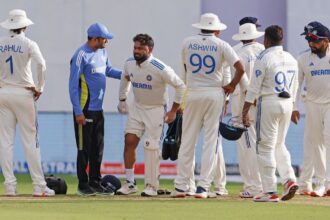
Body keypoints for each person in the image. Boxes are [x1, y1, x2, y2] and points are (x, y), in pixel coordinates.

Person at [172, 13, 244, 199]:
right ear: (217, 29)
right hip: (214, 94)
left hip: (193, 92)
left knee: (187, 140)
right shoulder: (222, 45)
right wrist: (232, 86)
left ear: (200, 27)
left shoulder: (186, 42)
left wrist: (181, 101)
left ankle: (181, 186)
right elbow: (240, 68)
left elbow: (183, 75)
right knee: (211, 141)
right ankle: (203, 187)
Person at [116, 34, 185, 197]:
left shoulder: (160, 68)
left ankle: (151, 186)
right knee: (129, 141)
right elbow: (125, 78)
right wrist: (122, 98)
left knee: (151, 146)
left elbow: (181, 86)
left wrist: (173, 111)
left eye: (141, 48)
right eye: (135, 48)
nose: (137, 51)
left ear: (150, 49)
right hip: (137, 107)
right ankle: (130, 184)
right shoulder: (129, 64)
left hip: (156, 110)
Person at [0, 9, 55, 196]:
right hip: (23, 93)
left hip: (3, 93)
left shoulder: (0, 43)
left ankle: (9, 186)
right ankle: (39, 186)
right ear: (24, 26)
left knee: (5, 141)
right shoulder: (29, 43)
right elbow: (41, 64)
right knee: (31, 141)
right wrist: (40, 87)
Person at [242, 25, 299, 202]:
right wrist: (293, 106)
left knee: (264, 147)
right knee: (279, 144)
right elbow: (295, 85)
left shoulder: (264, 57)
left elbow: (254, 87)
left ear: (266, 40)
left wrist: (245, 111)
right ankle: (289, 179)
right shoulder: (291, 58)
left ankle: (269, 190)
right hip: (287, 103)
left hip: (269, 102)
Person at [69, 22, 122, 196]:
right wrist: (78, 111)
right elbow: (73, 87)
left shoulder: (103, 52)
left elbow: (108, 70)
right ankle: (83, 185)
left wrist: (127, 74)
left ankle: (95, 181)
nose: (107, 41)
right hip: (84, 110)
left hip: (99, 110)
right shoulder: (80, 55)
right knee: (84, 149)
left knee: (97, 149)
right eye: (105, 38)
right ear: (95, 39)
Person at [291, 21, 330, 197]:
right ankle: (319, 183)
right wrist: (294, 107)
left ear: (326, 40)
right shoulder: (303, 58)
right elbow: (297, 85)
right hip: (312, 104)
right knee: (315, 143)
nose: (310, 43)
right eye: (308, 39)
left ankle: (326, 184)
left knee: (328, 140)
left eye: (315, 40)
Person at [230, 22, 265, 198]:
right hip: (262, 100)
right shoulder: (263, 49)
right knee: (260, 143)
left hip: (244, 102)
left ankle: (253, 186)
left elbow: (242, 80)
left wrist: (248, 101)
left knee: (246, 145)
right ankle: (263, 184)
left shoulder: (237, 52)